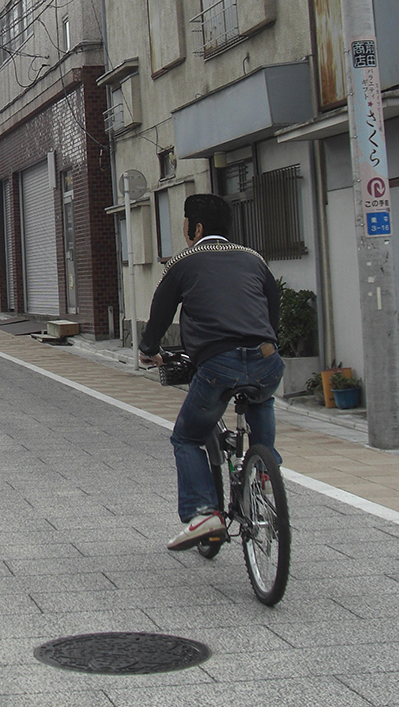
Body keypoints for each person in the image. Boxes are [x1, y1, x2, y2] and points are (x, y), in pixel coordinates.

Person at [138, 194, 283, 552]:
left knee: (186, 438)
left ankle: (203, 513)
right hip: (267, 356)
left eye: (185, 222)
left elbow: (159, 314)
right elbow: (273, 308)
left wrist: (149, 350)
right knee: (260, 397)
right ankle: (265, 470)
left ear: (196, 228)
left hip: (219, 363)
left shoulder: (184, 261)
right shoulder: (254, 259)